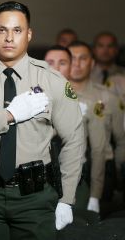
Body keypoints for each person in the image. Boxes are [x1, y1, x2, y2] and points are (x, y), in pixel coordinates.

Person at [0, 1, 85, 239]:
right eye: (2, 30)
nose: (9, 38)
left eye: (17, 30)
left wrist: (67, 198)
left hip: (36, 197)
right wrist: (9, 115)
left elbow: (74, 140)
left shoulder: (52, 80)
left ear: (28, 34)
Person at [45, 45, 110, 213]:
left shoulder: (85, 102)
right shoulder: (30, 97)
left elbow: (98, 149)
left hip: (74, 179)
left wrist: (95, 195)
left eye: (63, 63)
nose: (56, 68)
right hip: (39, 180)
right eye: (50, 63)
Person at [68, 41, 125, 204]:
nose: (77, 64)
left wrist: (120, 178)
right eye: (71, 59)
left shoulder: (109, 97)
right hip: (65, 168)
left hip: (103, 169)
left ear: (92, 63)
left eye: (83, 58)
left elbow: (121, 141)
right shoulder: (52, 96)